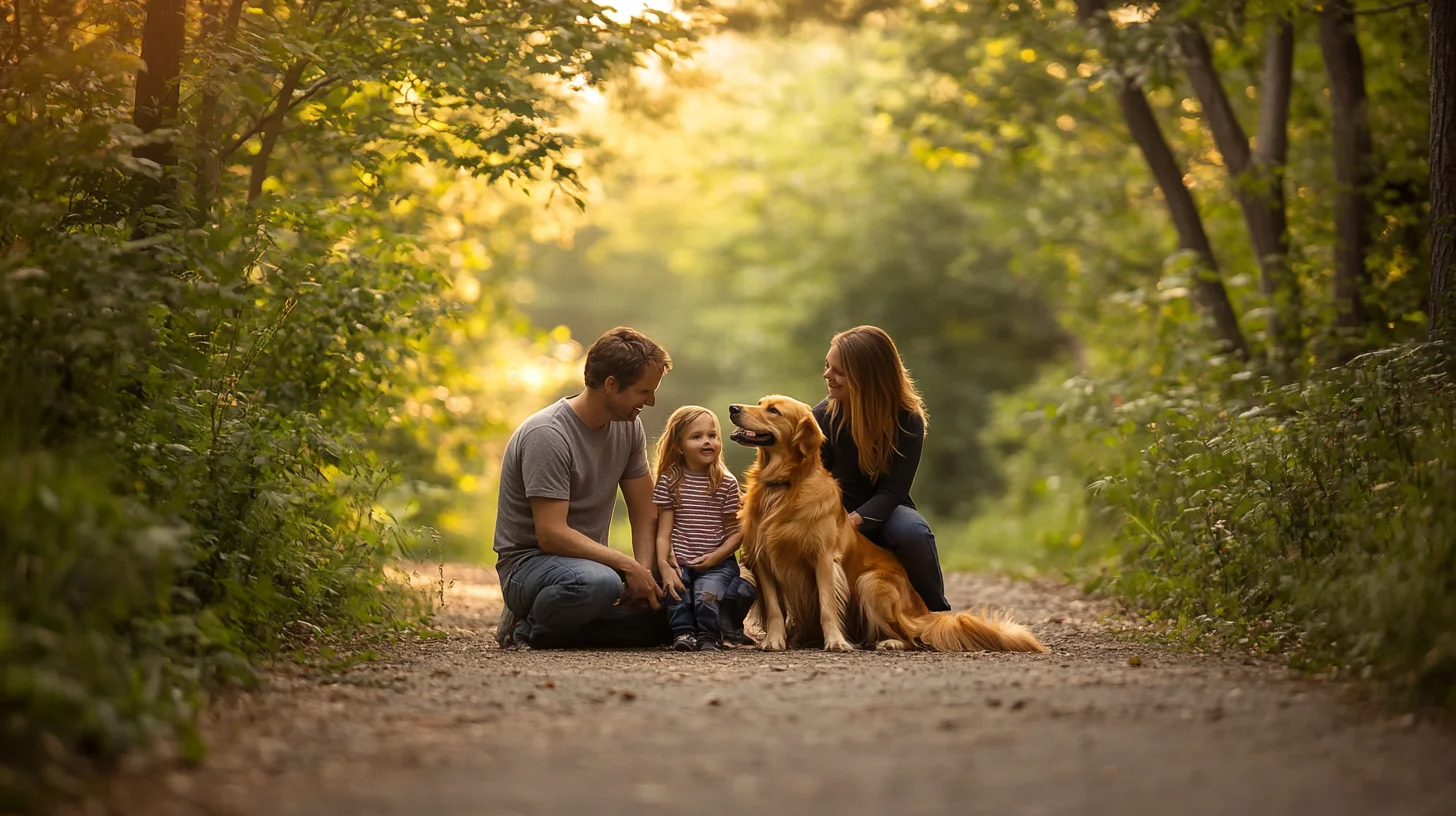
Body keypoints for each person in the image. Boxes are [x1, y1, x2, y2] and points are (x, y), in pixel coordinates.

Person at [493, 327, 684, 649]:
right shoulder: (548, 435)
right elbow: (551, 534)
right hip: (532, 566)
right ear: (611, 385)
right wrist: (627, 567)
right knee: (596, 584)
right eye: (643, 391)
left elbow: (644, 510)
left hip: (594, 566)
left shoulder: (628, 427)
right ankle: (527, 627)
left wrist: (647, 575)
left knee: (680, 606)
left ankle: (574, 626)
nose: (650, 402)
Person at [813, 325, 951, 612]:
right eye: (827, 366)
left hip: (884, 510)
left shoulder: (907, 419)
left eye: (838, 371)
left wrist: (854, 521)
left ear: (867, 377)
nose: (828, 375)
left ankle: (934, 612)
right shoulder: (823, 416)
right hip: (831, 509)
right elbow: (814, 480)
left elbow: (893, 491)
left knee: (913, 532)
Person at [651, 406, 756, 652]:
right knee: (676, 591)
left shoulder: (725, 483)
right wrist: (665, 567)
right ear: (678, 445)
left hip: (717, 562)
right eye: (696, 437)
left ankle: (711, 637)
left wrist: (715, 558)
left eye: (712, 435)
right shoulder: (670, 480)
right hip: (680, 559)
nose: (707, 442)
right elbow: (663, 532)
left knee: (706, 595)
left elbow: (735, 533)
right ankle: (684, 634)